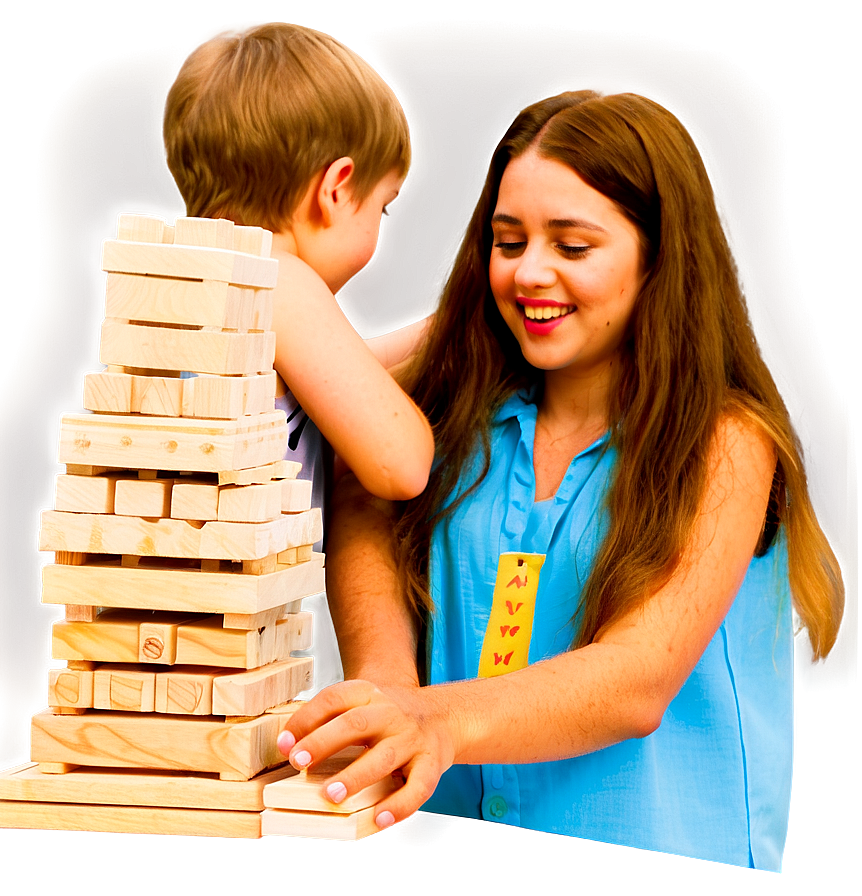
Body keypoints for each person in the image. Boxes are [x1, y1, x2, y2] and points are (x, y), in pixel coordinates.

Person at [276, 89, 845, 870]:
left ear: (659, 257)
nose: (529, 273)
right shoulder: (440, 417)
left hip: (664, 874)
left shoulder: (727, 444)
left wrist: (432, 719)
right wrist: (385, 688)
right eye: (508, 242)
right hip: (446, 865)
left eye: (572, 248)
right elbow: (355, 474)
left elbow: (635, 681)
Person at [164, 23, 433, 517]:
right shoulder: (275, 278)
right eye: (384, 206)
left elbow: (325, 376)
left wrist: (440, 330)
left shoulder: (193, 278)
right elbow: (403, 466)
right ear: (337, 189)